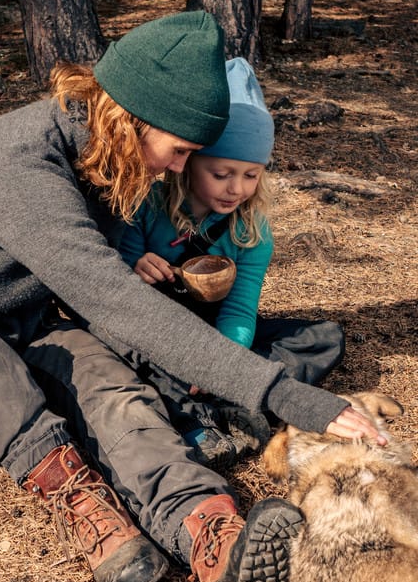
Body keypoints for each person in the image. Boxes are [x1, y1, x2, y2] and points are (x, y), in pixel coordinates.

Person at [0, 11, 383, 582]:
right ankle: (74, 494)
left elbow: (109, 309)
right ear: (133, 120)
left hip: (22, 329)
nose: (180, 168)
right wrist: (287, 396)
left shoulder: (106, 158)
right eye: (180, 150)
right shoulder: (23, 167)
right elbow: (116, 301)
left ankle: (212, 533)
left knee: (113, 389)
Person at [119, 57, 345, 468]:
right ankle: (204, 417)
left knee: (323, 337)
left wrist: (221, 361)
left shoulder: (251, 231)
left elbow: (240, 310)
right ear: (188, 163)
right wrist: (136, 265)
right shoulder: (145, 208)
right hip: (159, 330)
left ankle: (231, 402)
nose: (236, 189)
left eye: (251, 175)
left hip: (220, 334)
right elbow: (115, 288)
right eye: (222, 173)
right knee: (129, 361)